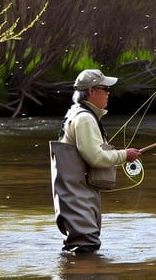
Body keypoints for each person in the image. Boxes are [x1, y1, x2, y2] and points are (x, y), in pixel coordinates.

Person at [49, 69, 141, 254]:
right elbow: (96, 157)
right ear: (91, 91)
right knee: (85, 245)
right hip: (77, 195)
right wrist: (125, 155)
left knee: (80, 245)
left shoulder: (75, 113)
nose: (109, 93)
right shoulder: (84, 118)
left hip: (74, 193)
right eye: (105, 89)